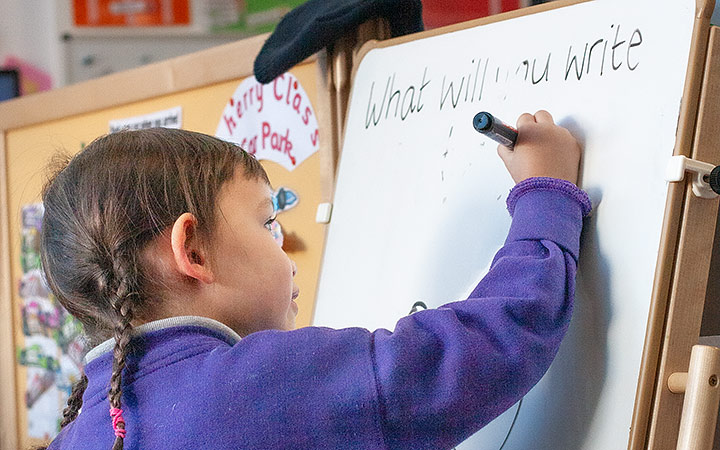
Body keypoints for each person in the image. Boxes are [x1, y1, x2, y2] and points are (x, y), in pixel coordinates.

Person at [40, 110, 589, 450]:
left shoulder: (78, 436)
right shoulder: (267, 386)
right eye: (267, 223)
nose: (290, 256)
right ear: (193, 251)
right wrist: (545, 197)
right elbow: (482, 348)